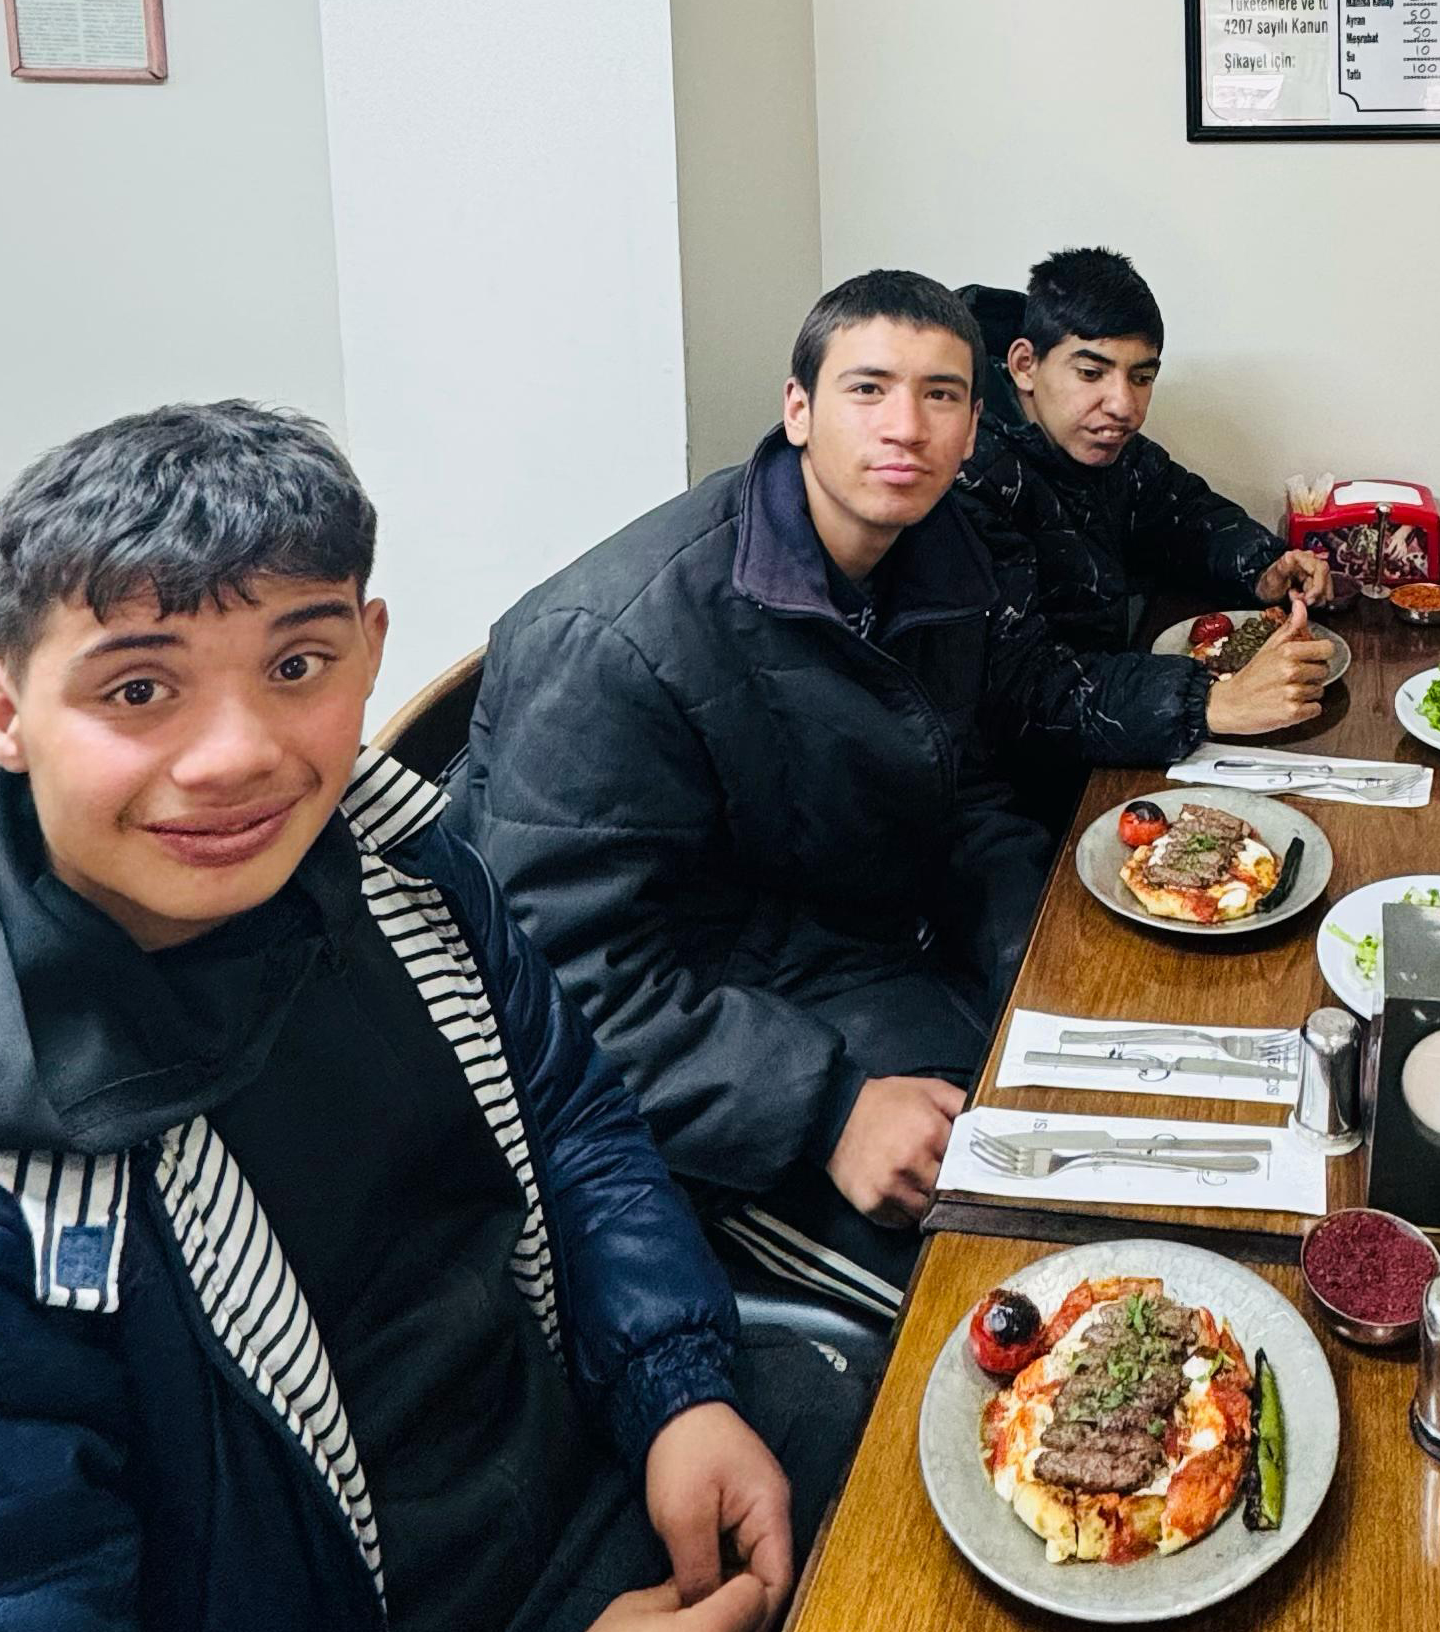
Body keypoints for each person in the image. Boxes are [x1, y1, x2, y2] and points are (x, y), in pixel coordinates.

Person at [0, 403, 847, 1632]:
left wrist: (676, 1387)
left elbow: (566, 1111)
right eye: (140, 688)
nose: (235, 756)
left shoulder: (386, 860)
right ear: (3, 711)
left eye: (296, 667)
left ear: (370, 648)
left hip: (580, 1465)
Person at [451, 271, 1052, 1321]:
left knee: (1107, 1141)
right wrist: (828, 1113)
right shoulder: (619, 639)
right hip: (702, 1065)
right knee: (1016, 1279)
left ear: (974, 427)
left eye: (941, 395)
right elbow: (551, 980)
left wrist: (1037, 954)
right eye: (868, 389)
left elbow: (965, 785)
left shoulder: (936, 553)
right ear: (798, 410)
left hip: (855, 954)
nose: (905, 426)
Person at [956, 248, 1336, 818]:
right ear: (1024, 364)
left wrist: (1263, 567)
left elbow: (1182, 510)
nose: (1123, 406)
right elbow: (1020, 691)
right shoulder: (969, 471)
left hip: (1108, 740)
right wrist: (1211, 703)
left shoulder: (1107, 448)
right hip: (1004, 792)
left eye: (1142, 377)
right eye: (1091, 372)